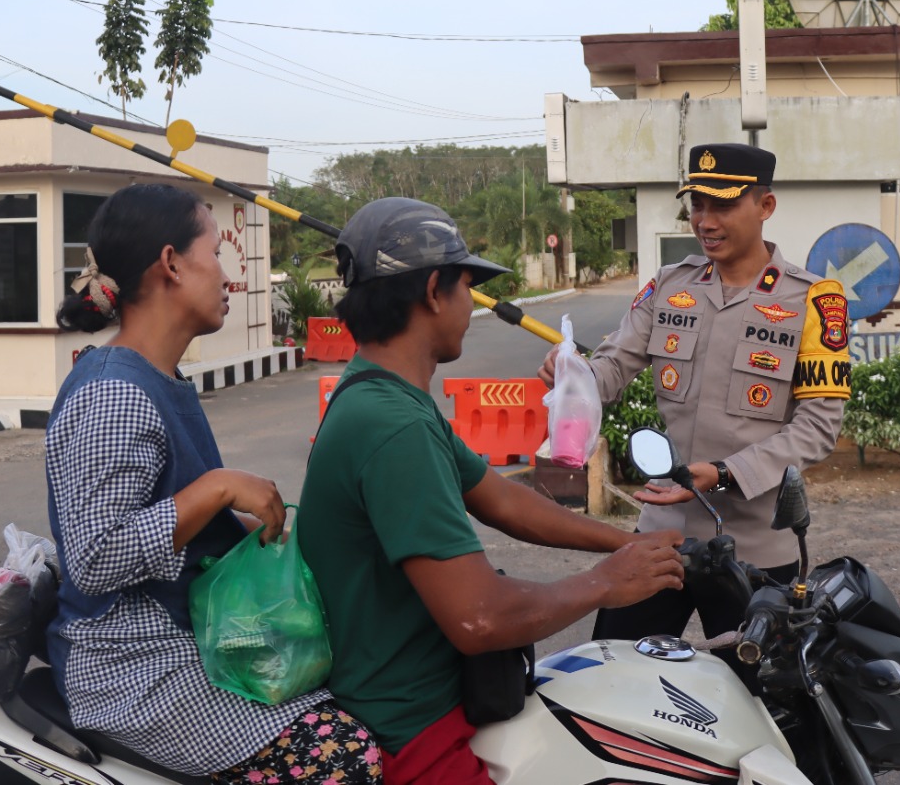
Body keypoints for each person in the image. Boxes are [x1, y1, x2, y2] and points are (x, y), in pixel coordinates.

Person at [300, 197, 685, 785]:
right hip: (411, 732)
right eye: (467, 286)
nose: (472, 303)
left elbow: (505, 500)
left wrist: (626, 545)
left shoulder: (381, 396)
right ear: (434, 291)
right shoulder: (393, 426)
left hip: (423, 705)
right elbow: (479, 618)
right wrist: (606, 583)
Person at [46, 184, 379, 783]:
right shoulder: (114, 393)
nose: (227, 276)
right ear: (171, 264)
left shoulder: (158, 378)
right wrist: (217, 489)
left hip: (181, 638)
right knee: (344, 757)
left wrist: (238, 524)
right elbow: (93, 557)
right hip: (132, 665)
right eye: (216, 255)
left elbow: (168, 514)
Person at [540, 143, 849, 649]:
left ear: (766, 206)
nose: (705, 221)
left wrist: (725, 473)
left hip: (755, 548)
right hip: (663, 534)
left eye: (722, 206)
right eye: (697, 206)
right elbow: (610, 370)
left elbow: (818, 427)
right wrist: (573, 375)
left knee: (757, 689)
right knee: (618, 667)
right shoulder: (669, 285)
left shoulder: (812, 300)